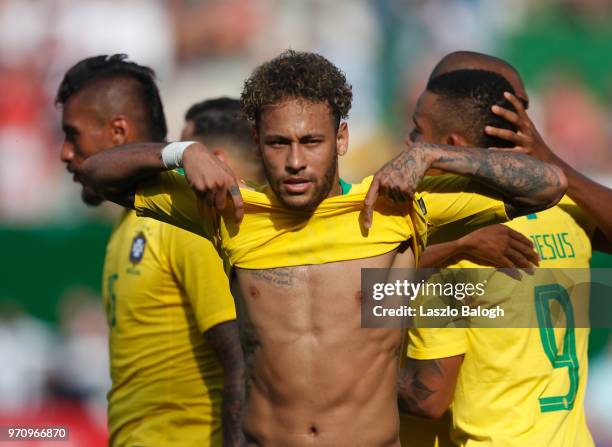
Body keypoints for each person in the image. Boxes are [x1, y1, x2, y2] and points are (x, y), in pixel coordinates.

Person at [77, 50, 566, 446]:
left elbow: (547, 185)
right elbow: (97, 172)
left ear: (342, 139)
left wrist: (434, 153)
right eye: (277, 143)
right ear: (256, 140)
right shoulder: (229, 211)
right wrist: (181, 152)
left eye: (311, 141)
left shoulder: (396, 204)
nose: (294, 161)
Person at [398, 67, 599, 446]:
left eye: (418, 132)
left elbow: (428, 397)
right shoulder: (572, 216)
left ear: (450, 145)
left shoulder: (458, 242)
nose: (409, 144)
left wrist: (344, 375)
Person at [57, 54, 247, 447]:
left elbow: (239, 357)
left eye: (72, 135)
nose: (64, 153)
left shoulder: (182, 220)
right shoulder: (127, 227)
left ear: (118, 131)